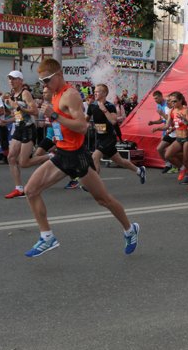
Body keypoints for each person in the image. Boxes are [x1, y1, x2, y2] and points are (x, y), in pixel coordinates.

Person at [23, 58, 139, 257]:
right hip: (62, 153)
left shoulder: (70, 95)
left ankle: (130, 229)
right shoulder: (55, 94)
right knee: (31, 190)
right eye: (42, 82)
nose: (45, 85)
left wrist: (55, 116)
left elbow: (82, 127)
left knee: (103, 200)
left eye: (47, 80)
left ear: (59, 75)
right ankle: (47, 236)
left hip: (77, 156)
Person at [86, 82, 146, 183]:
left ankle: (94, 184)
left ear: (104, 93)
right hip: (100, 137)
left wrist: (104, 110)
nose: (95, 93)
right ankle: (139, 170)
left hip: (109, 137)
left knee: (95, 156)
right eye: (94, 91)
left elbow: (113, 121)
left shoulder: (110, 106)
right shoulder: (92, 106)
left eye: (97, 91)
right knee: (119, 160)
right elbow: (86, 119)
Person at [2, 70, 37, 198]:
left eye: (14, 79)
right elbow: (17, 114)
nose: (11, 81)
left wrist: (19, 107)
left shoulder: (25, 93)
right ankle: (19, 188)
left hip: (28, 128)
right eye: (9, 79)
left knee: (23, 163)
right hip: (18, 127)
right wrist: (7, 120)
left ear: (21, 81)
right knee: (11, 157)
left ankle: (51, 156)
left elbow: (34, 111)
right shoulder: (12, 94)